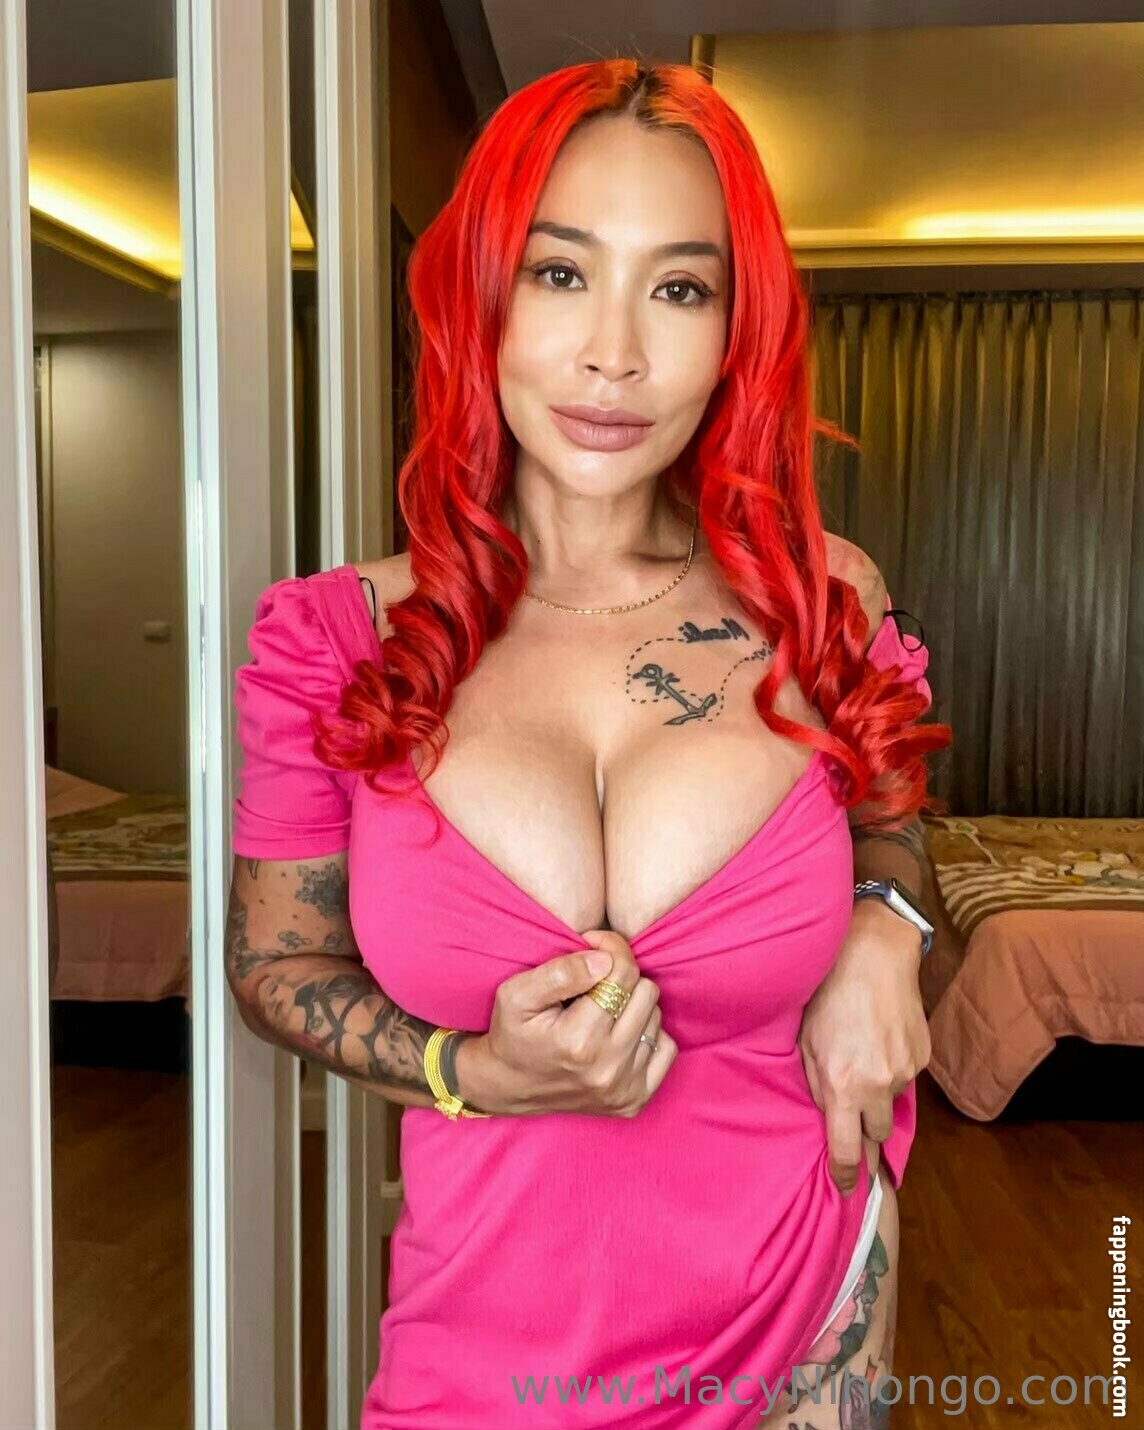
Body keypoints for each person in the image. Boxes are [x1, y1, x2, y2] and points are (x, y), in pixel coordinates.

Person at [225, 59, 951, 1430]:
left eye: (679, 288)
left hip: (805, 1324)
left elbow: (893, 820)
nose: (615, 352)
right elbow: (275, 966)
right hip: (477, 1368)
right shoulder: (336, 642)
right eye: (561, 273)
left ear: (736, 330)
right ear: (481, 295)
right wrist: (467, 1070)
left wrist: (885, 929)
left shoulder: (822, 600)